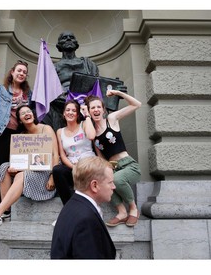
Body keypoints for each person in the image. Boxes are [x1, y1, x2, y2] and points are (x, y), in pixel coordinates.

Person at [0, 104, 59, 229]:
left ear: (33, 114)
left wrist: (53, 176)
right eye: (23, 114)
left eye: (28, 111)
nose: (27, 114)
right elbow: (22, 162)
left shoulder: (46, 129)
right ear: (20, 120)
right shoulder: (21, 136)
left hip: (45, 175)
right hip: (29, 172)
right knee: (4, 167)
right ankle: (6, 212)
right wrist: (14, 168)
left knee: (22, 175)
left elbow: (55, 154)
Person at [85, 90, 142, 227]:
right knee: (104, 182)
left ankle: (133, 209)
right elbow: (101, 157)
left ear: (103, 109)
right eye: (92, 108)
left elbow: (137, 104)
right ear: (89, 112)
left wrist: (118, 93)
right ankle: (121, 212)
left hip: (129, 166)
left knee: (116, 179)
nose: (96, 109)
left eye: (99, 106)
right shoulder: (94, 134)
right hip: (114, 167)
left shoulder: (111, 119)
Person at [0, 58, 34, 212]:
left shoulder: (28, 94)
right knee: (2, 169)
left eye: (24, 72)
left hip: (21, 135)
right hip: (4, 133)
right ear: (12, 72)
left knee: (19, 169)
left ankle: (17, 205)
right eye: (19, 70)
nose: (22, 74)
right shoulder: (2, 90)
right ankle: (3, 208)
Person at [50, 156, 116, 259]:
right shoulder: (86, 219)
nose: (114, 187)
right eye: (110, 182)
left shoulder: (73, 206)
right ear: (94, 185)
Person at [42, 31, 99, 131]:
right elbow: (47, 90)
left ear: (76, 43)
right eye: (64, 37)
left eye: (71, 37)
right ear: (59, 45)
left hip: (85, 103)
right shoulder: (54, 67)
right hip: (61, 105)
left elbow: (98, 86)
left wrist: (115, 90)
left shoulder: (88, 64)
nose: (68, 39)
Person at [53, 99, 96, 205]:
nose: (70, 113)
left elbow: (91, 136)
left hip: (88, 165)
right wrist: (74, 168)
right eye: (67, 110)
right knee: (57, 170)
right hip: (72, 167)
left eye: (73, 110)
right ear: (64, 113)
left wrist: (87, 115)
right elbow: (62, 156)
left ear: (77, 114)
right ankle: (68, 207)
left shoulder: (84, 124)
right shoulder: (60, 132)